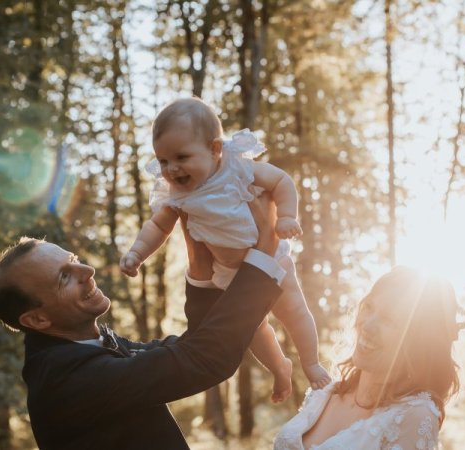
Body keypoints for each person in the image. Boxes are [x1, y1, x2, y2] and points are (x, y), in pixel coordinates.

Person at [0, 197, 285, 450]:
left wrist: (199, 265)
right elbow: (205, 359)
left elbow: (186, 348)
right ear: (37, 319)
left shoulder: (89, 347)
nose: (87, 270)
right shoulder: (67, 379)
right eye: (64, 276)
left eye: (74, 259)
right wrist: (263, 253)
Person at [119, 97, 331, 402]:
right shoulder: (176, 194)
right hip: (229, 274)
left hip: (272, 261)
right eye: (163, 161)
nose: (171, 169)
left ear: (215, 149)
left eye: (181, 157)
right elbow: (157, 226)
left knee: (294, 311)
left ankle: (310, 362)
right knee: (253, 330)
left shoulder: (237, 169)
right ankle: (280, 367)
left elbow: (281, 181)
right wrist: (137, 253)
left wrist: (285, 217)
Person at [274, 266, 465, 450]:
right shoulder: (323, 394)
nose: (367, 326)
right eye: (369, 307)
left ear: (417, 342)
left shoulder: (413, 417)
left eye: (388, 319)